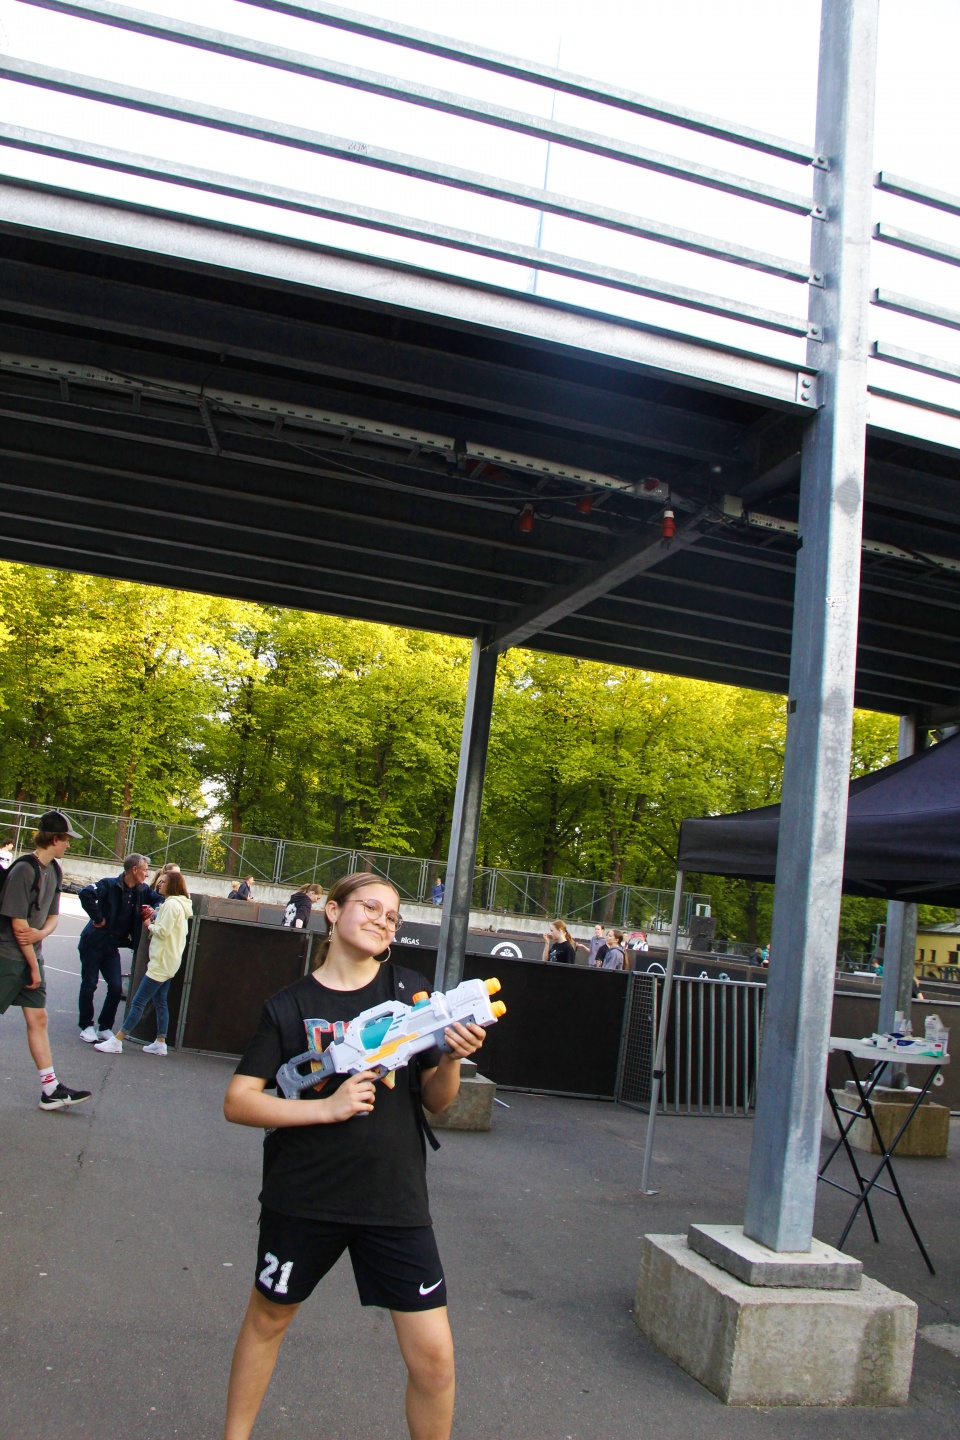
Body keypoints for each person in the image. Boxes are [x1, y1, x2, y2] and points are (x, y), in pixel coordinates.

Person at [221, 872, 485, 1440]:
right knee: (267, 1322)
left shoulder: (411, 992)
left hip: (394, 1199)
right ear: (334, 911)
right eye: (369, 907)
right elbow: (239, 1102)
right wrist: (327, 1108)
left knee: (435, 1360)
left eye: (392, 917)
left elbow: (437, 1102)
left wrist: (453, 1058)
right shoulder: (290, 1005)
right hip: (305, 1196)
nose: (382, 921)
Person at [0, 810, 92, 1110]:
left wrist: (40, 936)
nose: (69, 845)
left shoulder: (55, 870)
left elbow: (52, 916)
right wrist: (33, 966)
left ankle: (50, 1089)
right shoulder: (23, 870)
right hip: (8, 957)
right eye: (66, 840)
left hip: (31, 955)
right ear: (54, 839)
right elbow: (18, 925)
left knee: (38, 1018)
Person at [95, 871, 193, 1056]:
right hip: (170, 960)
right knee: (160, 1000)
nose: (159, 884)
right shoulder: (181, 904)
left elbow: (163, 932)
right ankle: (160, 1041)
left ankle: (118, 1040)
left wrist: (149, 924)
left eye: (163, 882)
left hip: (161, 961)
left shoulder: (171, 904)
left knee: (138, 1001)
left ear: (172, 885)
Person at [77, 854, 163, 1044]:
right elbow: (85, 893)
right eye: (145, 870)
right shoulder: (109, 885)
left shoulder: (142, 891)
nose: (147, 874)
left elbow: (160, 899)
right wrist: (98, 918)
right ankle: (86, 1025)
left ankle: (105, 1027)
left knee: (116, 987)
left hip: (111, 946)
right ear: (134, 869)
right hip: (93, 942)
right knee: (90, 983)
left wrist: (154, 910)